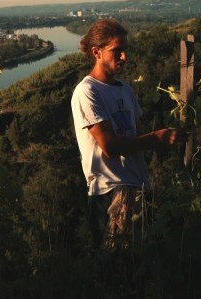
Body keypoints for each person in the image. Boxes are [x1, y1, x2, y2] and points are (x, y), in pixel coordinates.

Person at [70, 19, 184, 249]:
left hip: (139, 189)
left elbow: (136, 139)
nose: (124, 57)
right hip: (110, 194)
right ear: (97, 52)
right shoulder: (87, 91)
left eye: (125, 50)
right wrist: (156, 137)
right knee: (115, 272)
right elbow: (109, 147)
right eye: (117, 51)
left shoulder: (126, 89)